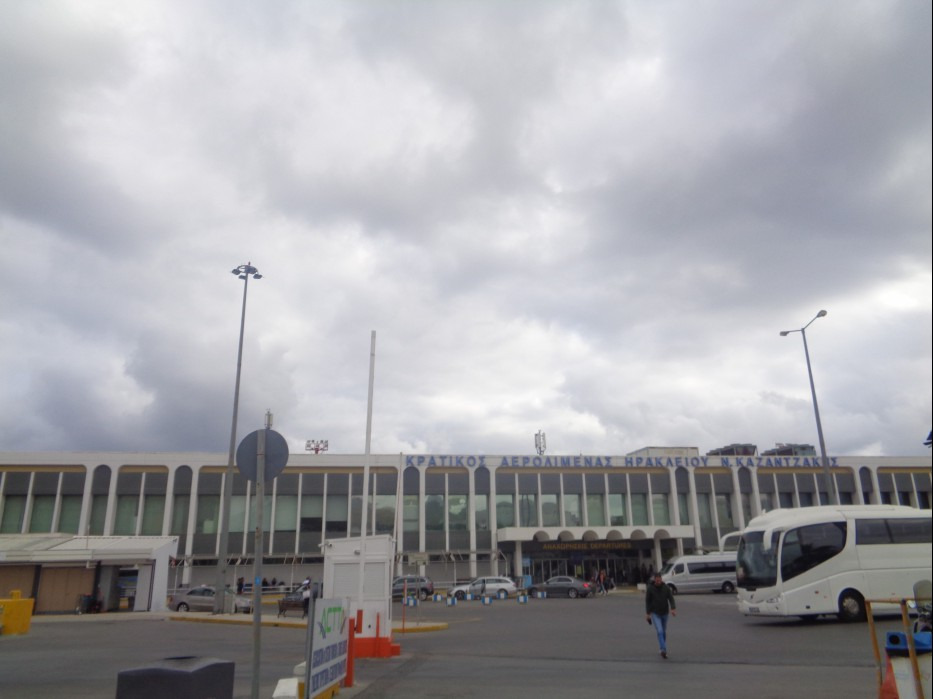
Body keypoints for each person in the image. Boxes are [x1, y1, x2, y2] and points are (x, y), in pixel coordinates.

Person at [645, 572, 677, 659]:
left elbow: (671, 598)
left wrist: (673, 608)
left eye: (660, 580)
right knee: (659, 631)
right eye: (657, 580)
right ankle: (663, 650)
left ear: (661, 579)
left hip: (665, 613)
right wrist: (648, 613)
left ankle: (661, 646)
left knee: (663, 631)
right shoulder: (650, 588)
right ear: (654, 580)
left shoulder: (666, 588)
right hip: (655, 613)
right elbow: (647, 601)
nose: (658, 581)